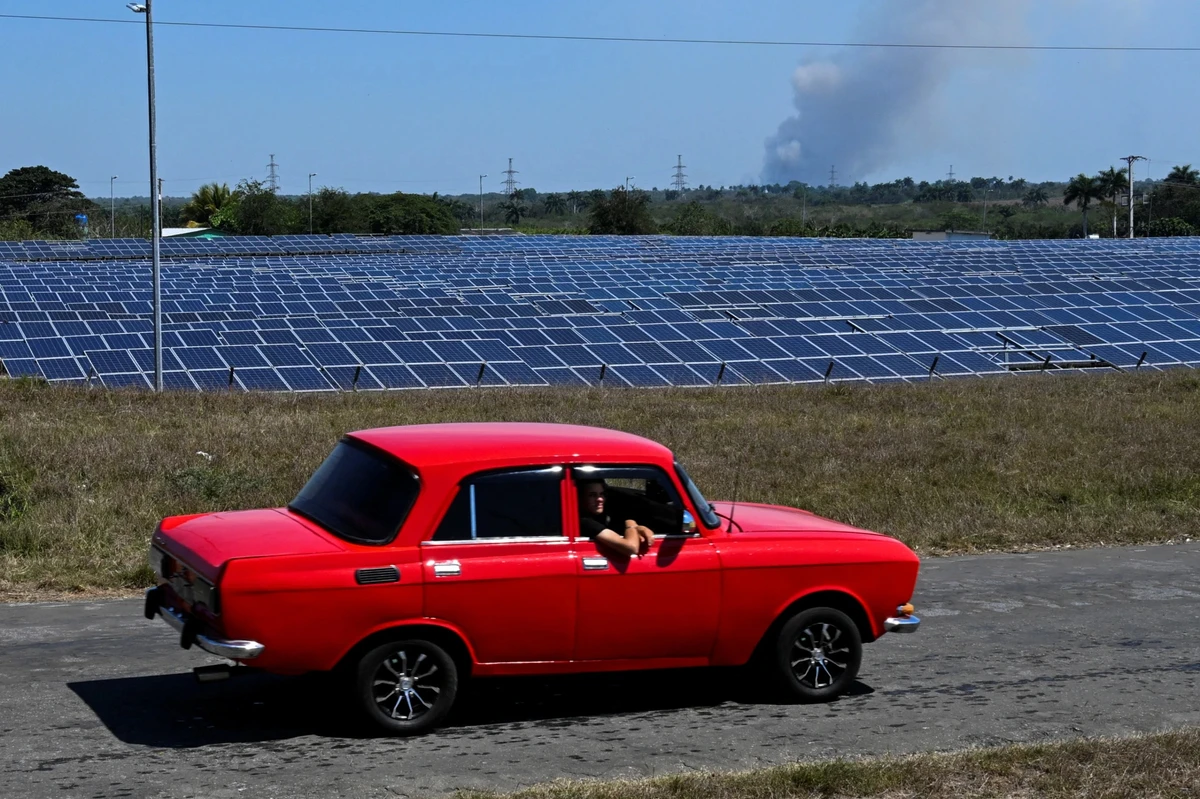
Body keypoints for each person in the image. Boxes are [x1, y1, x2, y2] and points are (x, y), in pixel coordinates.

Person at [577, 479, 654, 556]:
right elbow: (631, 547)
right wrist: (631, 523)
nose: (600, 499)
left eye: (602, 494)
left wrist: (638, 528)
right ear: (581, 498)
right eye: (592, 495)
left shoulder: (604, 515)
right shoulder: (585, 522)